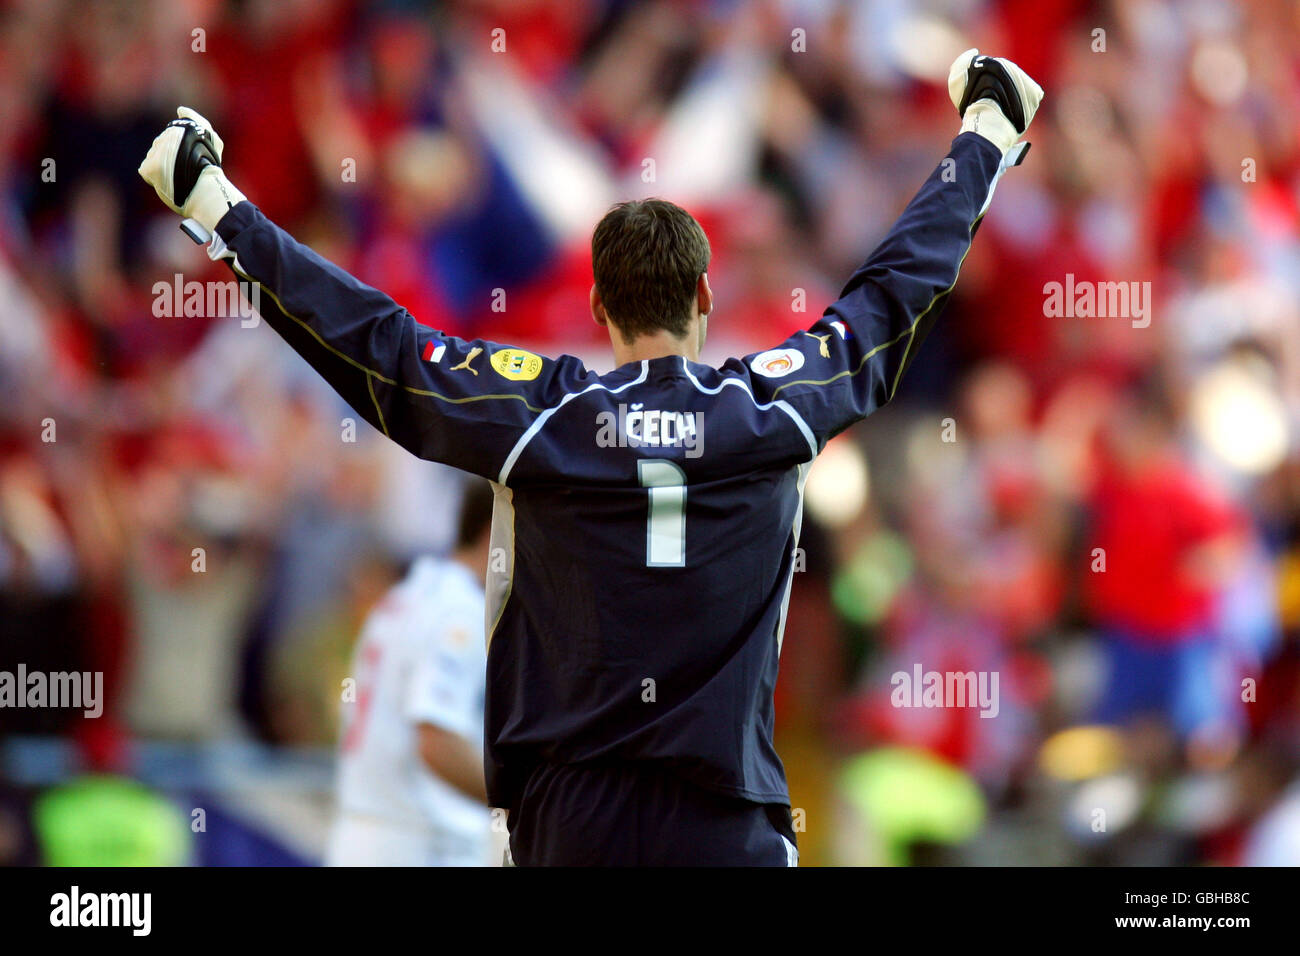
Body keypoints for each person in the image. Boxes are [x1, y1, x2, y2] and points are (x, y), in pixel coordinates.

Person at [139, 50, 1043, 865]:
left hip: (572, 824)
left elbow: (380, 347)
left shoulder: (544, 413)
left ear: (601, 312)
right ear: (703, 291)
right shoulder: (775, 408)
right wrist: (985, 135)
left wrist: (215, 205)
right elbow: (891, 295)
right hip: (726, 821)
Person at [326, 481, 496, 866]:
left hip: (366, 833)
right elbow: (436, 740)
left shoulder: (405, 596)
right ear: (494, 533)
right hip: (418, 842)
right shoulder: (460, 612)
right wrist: (521, 799)